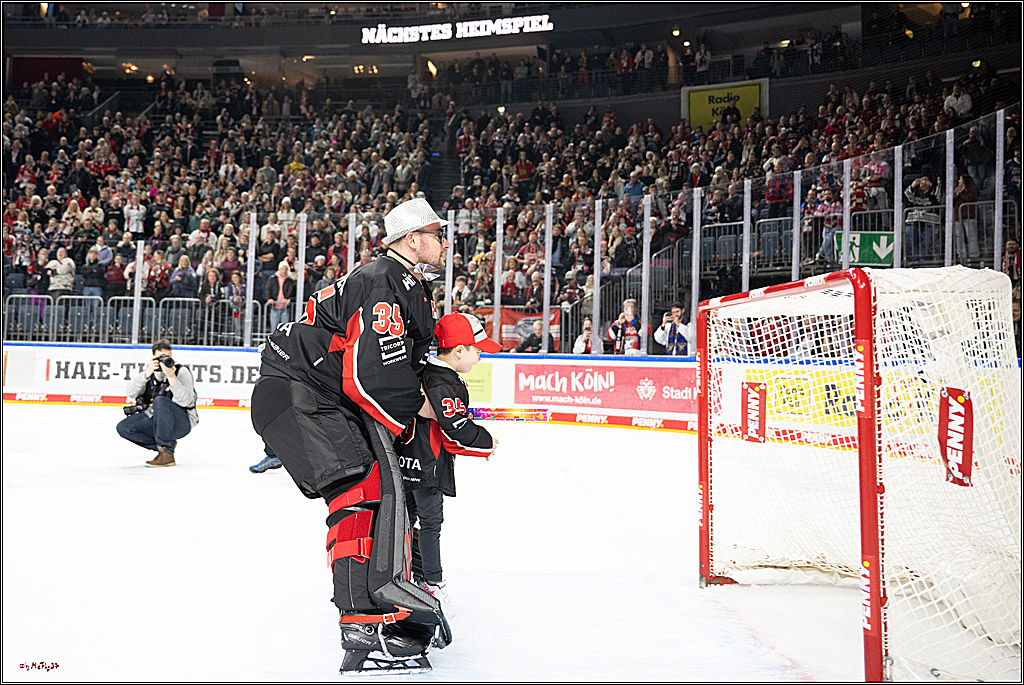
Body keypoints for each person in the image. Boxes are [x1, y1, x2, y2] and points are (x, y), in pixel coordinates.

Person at [249, 197, 453, 674]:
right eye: (436, 234)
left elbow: (401, 361)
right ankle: (360, 622)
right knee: (358, 497)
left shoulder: (405, 283)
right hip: (298, 395)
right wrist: (426, 406)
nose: (444, 242)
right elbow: (370, 374)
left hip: (312, 397)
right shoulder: (383, 280)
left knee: (378, 493)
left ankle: (378, 608)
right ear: (411, 239)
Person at [397, 313, 500, 617]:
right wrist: (485, 440)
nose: (479, 357)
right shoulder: (444, 381)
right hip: (426, 465)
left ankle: (407, 575)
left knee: (408, 520)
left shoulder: (425, 371)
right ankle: (432, 582)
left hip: (407, 460)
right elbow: (455, 425)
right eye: (476, 350)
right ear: (458, 351)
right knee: (430, 523)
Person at [116, 339, 198, 468]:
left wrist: (172, 377)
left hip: (182, 422)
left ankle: (167, 453)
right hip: (157, 421)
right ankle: (164, 446)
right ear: (152, 358)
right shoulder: (150, 372)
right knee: (124, 427)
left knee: (160, 401)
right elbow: (130, 393)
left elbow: (187, 401)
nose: (164, 361)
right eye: (160, 358)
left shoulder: (181, 372)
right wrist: (146, 374)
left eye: (168, 358)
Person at [264, 260, 296, 330]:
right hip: (275, 306)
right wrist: (269, 298)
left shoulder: (290, 280)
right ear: (279, 269)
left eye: (286, 269)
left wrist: (288, 298)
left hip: (285, 307)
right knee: (274, 327)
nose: (284, 271)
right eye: (283, 269)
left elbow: (292, 292)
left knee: (284, 327)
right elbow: (268, 289)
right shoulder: (272, 278)